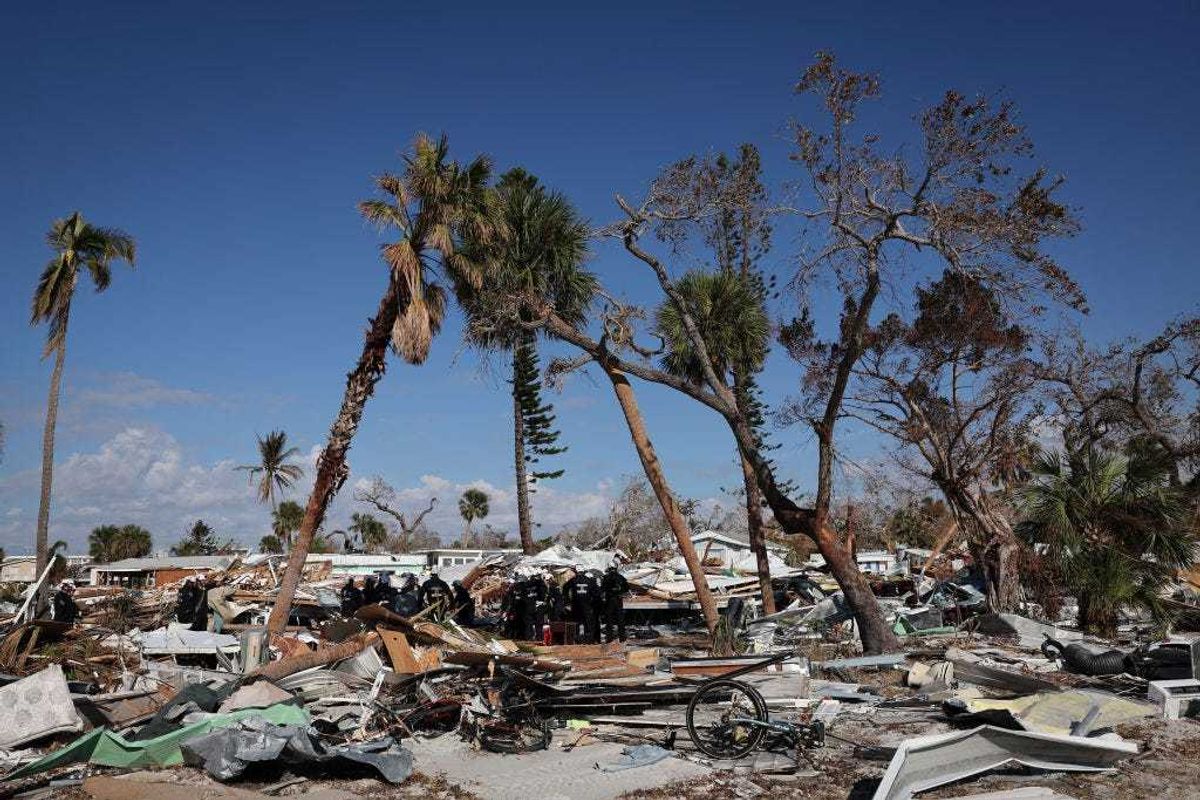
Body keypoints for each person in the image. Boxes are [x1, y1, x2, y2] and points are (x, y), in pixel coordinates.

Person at [564, 567, 599, 643]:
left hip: (576, 605)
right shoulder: (589, 580)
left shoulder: (573, 580)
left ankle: (577, 639)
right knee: (588, 623)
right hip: (587, 605)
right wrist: (593, 602)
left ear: (577, 571)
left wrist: (567, 601)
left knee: (577, 622)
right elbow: (596, 593)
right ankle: (588, 639)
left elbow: (565, 587)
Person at [601, 564, 629, 642]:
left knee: (609, 620)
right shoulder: (621, 577)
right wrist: (620, 592)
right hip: (618, 600)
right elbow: (626, 588)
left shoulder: (606, 577)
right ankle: (622, 638)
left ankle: (609, 638)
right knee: (620, 620)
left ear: (610, 569)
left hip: (609, 600)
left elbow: (602, 589)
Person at [521, 572, 547, 641]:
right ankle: (539, 638)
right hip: (537, 607)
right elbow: (543, 593)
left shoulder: (524, 585)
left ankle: (529, 639)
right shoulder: (540, 584)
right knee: (538, 624)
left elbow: (522, 597)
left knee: (528, 625)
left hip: (528, 607)